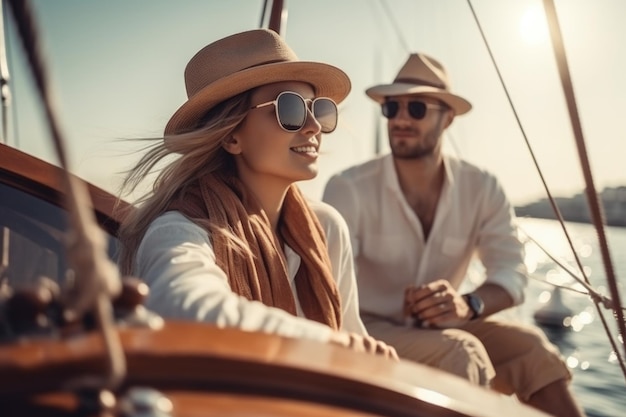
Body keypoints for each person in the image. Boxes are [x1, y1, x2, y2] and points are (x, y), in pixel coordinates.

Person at [322, 53, 586, 417]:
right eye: (391, 107)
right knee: (460, 351)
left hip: (449, 326)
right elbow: (326, 284)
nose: (399, 118)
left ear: (447, 118)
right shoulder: (348, 188)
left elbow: (512, 273)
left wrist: (469, 304)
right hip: (368, 330)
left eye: (416, 108)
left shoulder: (482, 188)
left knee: (532, 347)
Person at [116, 29, 397, 360]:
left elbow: (352, 341)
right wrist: (325, 342)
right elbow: (181, 309)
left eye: (318, 109)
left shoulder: (327, 228)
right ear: (232, 137)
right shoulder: (180, 229)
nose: (314, 126)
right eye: (289, 109)